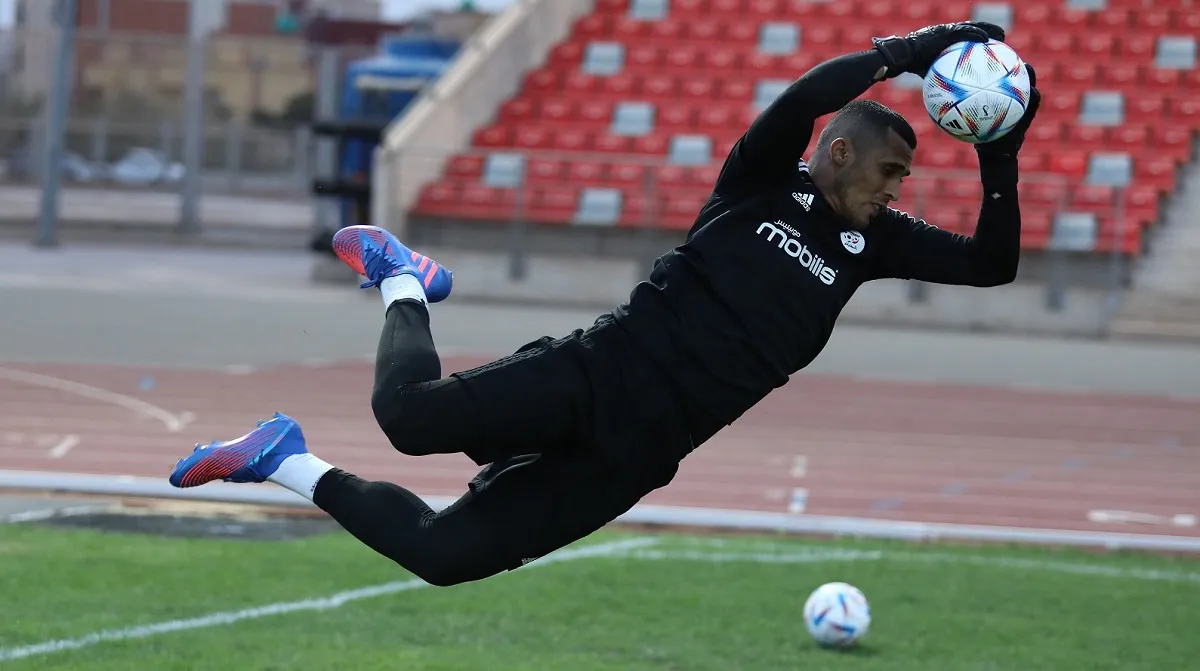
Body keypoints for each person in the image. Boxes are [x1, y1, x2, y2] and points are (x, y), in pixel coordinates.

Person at [168, 21, 1040, 587]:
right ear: (840, 154)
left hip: (638, 453)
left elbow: (995, 263)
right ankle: (403, 278)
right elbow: (801, 99)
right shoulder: (761, 183)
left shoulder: (874, 246)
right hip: (598, 371)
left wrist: (1000, 150)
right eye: (890, 172)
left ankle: (279, 459)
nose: (899, 190)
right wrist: (907, 50)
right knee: (404, 415)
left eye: (907, 181)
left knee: (441, 555)